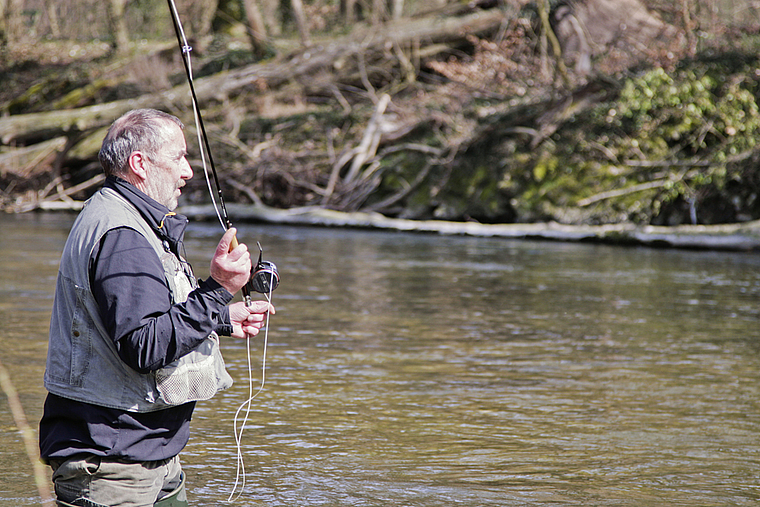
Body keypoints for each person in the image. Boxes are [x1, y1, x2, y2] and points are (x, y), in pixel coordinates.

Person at [39, 108, 274, 507]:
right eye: (179, 158)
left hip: (151, 455)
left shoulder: (125, 216)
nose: (188, 172)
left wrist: (219, 318)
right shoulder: (123, 235)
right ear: (140, 164)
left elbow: (142, 315)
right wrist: (217, 290)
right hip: (113, 464)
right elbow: (144, 346)